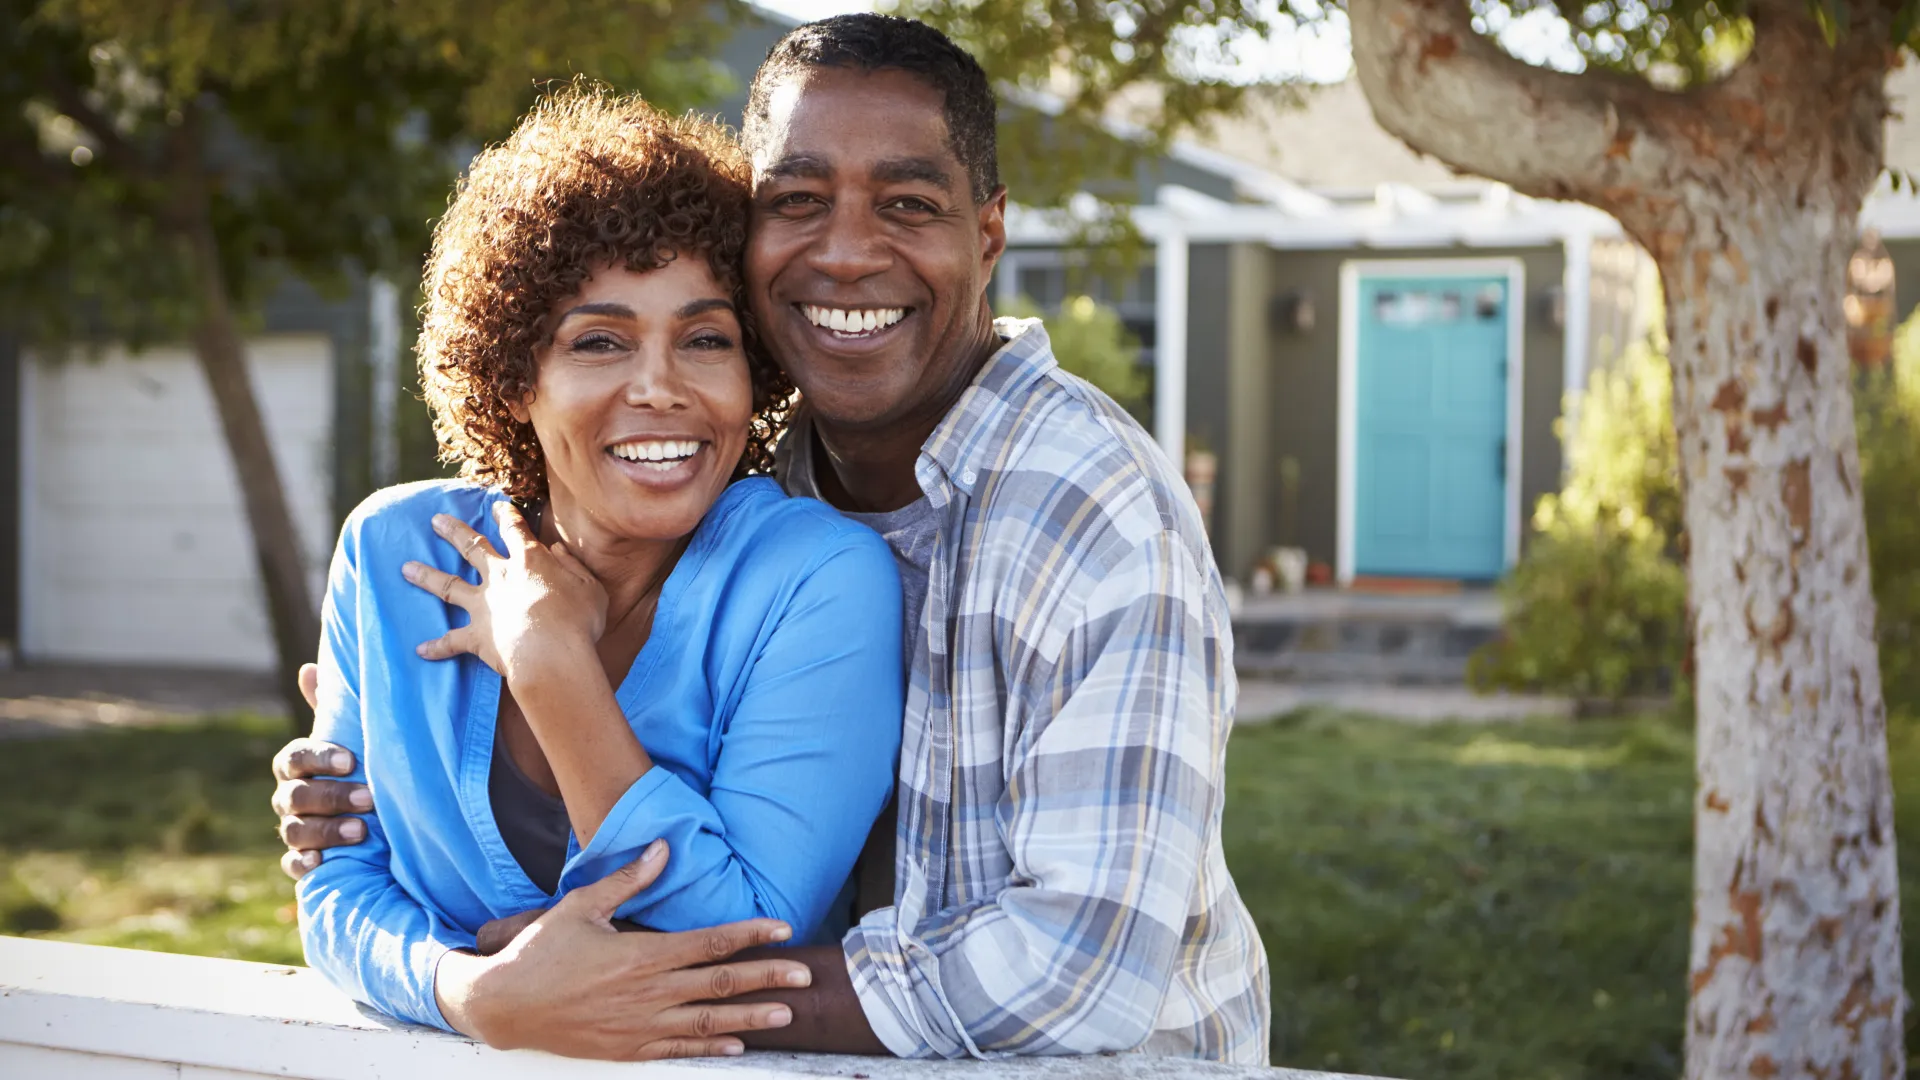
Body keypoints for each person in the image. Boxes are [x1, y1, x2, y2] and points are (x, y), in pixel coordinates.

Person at [273, 13, 1271, 1064]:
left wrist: (617, 988)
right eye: (795, 202)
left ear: (988, 235)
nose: (843, 252)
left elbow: (1084, 969)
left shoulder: (1092, 516)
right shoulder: (775, 473)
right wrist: (472, 988)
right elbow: (346, 876)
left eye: (907, 203)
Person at [291, 87, 905, 1058]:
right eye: (600, 341)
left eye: (706, 339)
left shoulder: (816, 579)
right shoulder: (394, 554)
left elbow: (746, 941)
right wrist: (472, 990)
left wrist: (547, 662)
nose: (661, 387)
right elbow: (334, 885)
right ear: (513, 377)